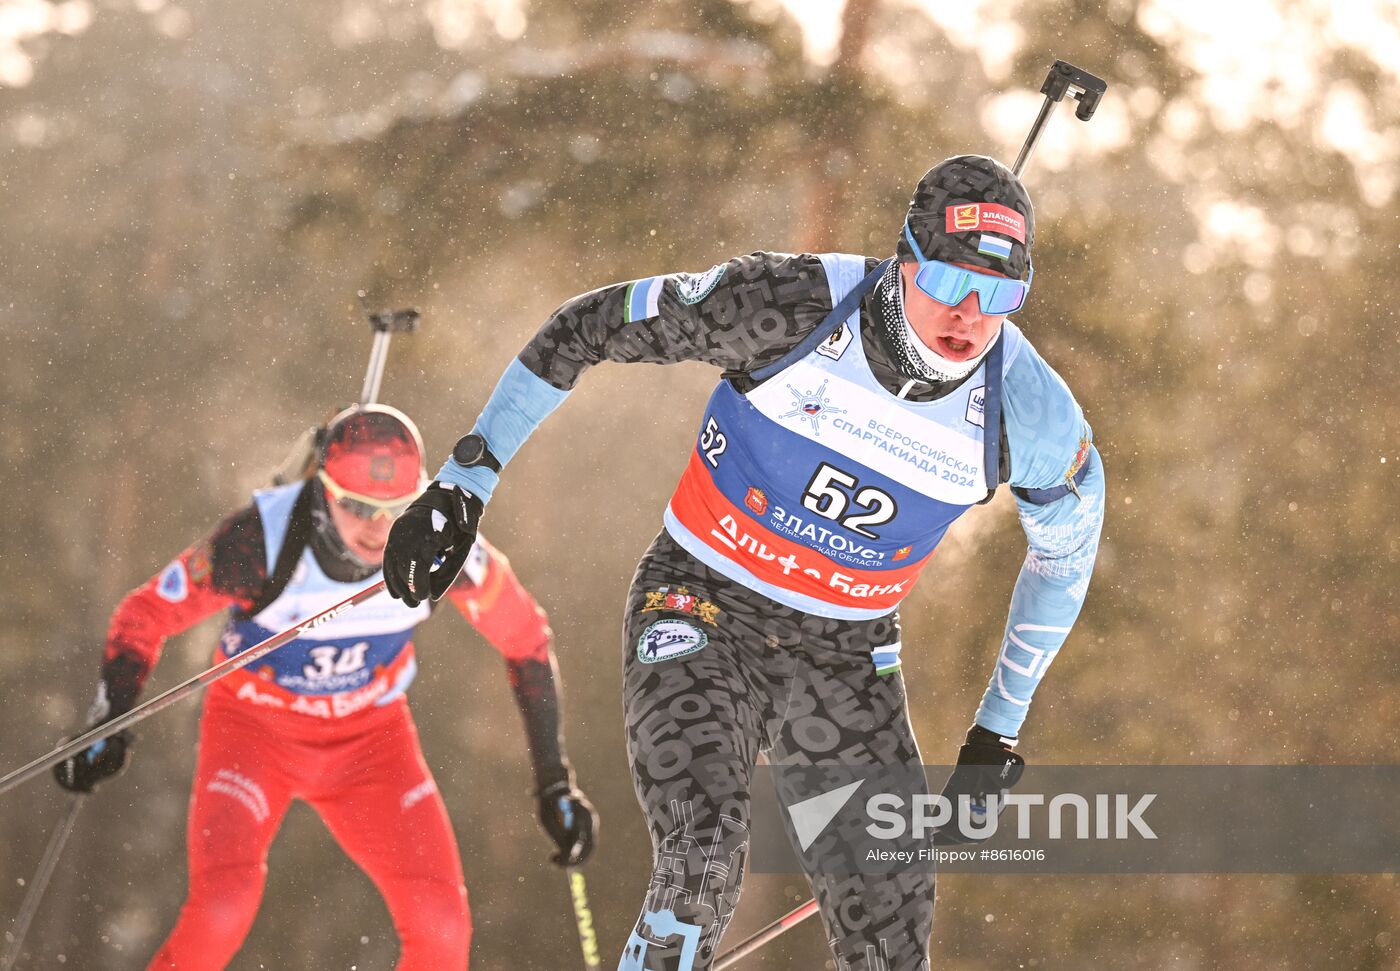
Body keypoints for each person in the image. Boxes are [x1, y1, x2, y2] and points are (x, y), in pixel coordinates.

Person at [382, 155, 1106, 970]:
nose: (972, 315)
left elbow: (1067, 555)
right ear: (904, 258)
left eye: (1002, 295)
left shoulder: (1031, 411)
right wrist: (464, 481)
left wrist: (993, 736)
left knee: (892, 933)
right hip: (701, 606)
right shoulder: (787, 305)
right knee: (704, 858)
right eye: (949, 280)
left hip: (844, 656)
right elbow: (587, 326)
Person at [53, 403, 596, 971]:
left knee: (442, 925)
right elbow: (146, 614)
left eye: (394, 507)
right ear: (321, 488)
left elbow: (528, 640)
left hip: (371, 747)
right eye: (356, 505)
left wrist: (554, 781)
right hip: (252, 736)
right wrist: (108, 715)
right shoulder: (261, 539)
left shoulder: (442, 541)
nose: (377, 526)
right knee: (222, 908)